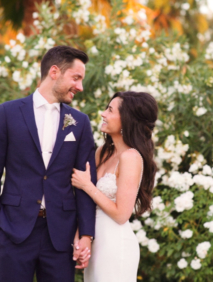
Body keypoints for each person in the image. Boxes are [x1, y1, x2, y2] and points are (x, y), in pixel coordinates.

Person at [0, 45, 97, 282]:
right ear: (54, 72)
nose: (80, 87)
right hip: (12, 232)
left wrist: (86, 234)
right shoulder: (7, 113)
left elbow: (86, 182)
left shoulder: (80, 123)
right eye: (76, 78)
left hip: (60, 237)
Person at [71, 91, 158, 282]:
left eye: (110, 110)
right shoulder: (103, 152)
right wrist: (80, 236)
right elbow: (87, 202)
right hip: (96, 242)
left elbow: (121, 214)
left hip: (115, 245)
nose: (103, 113)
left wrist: (88, 186)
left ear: (126, 120)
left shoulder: (131, 157)